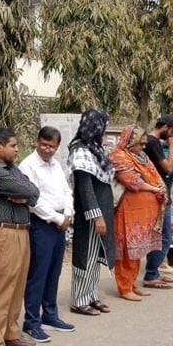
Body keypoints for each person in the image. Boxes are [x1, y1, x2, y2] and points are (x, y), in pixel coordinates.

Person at [0, 127, 41, 346]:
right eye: (13, 145)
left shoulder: (11, 169)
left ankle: (11, 333)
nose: (17, 150)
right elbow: (28, 188)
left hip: (21, 232)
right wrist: (27, 193)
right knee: (2, 288)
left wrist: (27, 195)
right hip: (4, 234)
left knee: (17, 285)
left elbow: (33, 191)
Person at [19, 126, 76, 343]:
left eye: (52, 146)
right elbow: (33, 201)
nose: (47, 150)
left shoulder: (56, 165)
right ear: (37, 141)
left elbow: (66, 190)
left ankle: (50, 315)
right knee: (38, 274)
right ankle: (32, 322)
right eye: (44, 144)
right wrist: (57, 218)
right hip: (42, 224)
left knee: (54, 272)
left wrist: (68, 213)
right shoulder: (28, 166)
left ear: (57, 146)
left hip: (61, 222)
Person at [67, 109, 117, 313]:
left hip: (102, 210)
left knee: (96, 255)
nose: (104, 130)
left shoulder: (95, 149)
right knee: (85, 255)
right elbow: (85, 188)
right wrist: (96, 216)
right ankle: (79, 300)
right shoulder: (80, 151)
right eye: (103, 126)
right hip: (89, 214)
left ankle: (92, 295)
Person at [110, 125, 165, 301]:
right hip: (127, 210)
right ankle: (124, 287)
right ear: (130, 141)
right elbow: (131, 181)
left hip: (144, 213)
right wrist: (155, 188)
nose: (143, 147)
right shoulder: (118, 156)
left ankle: (132, 283)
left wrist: (161, 187)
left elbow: (155, 174)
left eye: (144, 144)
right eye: (140, 144)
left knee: (137, 249)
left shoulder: (141, 156)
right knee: (127, 250)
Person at [142, 115, 173, 290]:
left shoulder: (152, 142)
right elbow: (168, 168)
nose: (172, 135)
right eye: (172, 131)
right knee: (163, 236)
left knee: (162, 236)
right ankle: (151, 274)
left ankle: (154, 272)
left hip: (159, 192)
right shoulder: (153, 142)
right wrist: (171, 148)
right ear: (165, 127)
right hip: (156, 194)